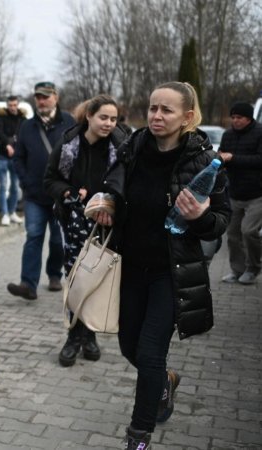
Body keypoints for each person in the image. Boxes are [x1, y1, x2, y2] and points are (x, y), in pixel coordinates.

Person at [92, 82, 230, 449]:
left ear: (187, 116)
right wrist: (105, 204)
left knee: (150, 352)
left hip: (172, 272)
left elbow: (220, 221)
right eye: (153, 108)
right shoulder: (132, 148)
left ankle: (139, 436)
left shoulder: (203, 160)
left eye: (166, 110)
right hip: (130, 267)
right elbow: (112, 188)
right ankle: (165, 381)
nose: (156, 115)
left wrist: (201, 215)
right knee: (128, 347)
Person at [44, 94, 127, 367]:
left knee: (98, 276)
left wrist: (109, 200)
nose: (109, 124)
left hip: (107, 223)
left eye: (113, 119)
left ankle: (89, 334)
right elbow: (50, 179)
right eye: (103, 117)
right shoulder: (69, 143)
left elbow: (126, 181)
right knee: (76, 276)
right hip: (74, 221)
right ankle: (73, 336)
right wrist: (67, 191)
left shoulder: (121, 145)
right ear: (89, 116)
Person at [7, 81, 76, 300]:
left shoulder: (69, 121)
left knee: (57, 240)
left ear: (56, 97)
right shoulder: (27, 126)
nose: (42, 101)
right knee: (34, 236)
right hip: (34, 195)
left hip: (60, 194)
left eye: (46, 96)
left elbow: (78, 154)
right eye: (38, 97)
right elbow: (18, 157)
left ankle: (54, 274)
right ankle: (28, 284)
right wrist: (25, 182)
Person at [217, 101, 262, 285]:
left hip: (257, 194)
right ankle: (237, 270)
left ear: (249, 118)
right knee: (233, 235)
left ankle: (253, 268)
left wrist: (233, 158)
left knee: (249, 231)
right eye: (233, 117)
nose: (235, 121)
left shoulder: (260, 133)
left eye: (239, 118)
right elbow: (222, 157)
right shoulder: (227, 135)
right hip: (234, 193)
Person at [0, 95, 26, 226]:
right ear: (7, 105)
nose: (12, 107)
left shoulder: (22, 119)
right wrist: (7, 143)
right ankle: (5, 214)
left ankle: (12, 212)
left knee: (15, 186)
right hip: (2, 156)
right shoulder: (1, 117)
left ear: (18, 104)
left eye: (14, 105)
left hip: (16, 157)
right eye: (10, 105)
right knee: (3, 186)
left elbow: (24, 135)